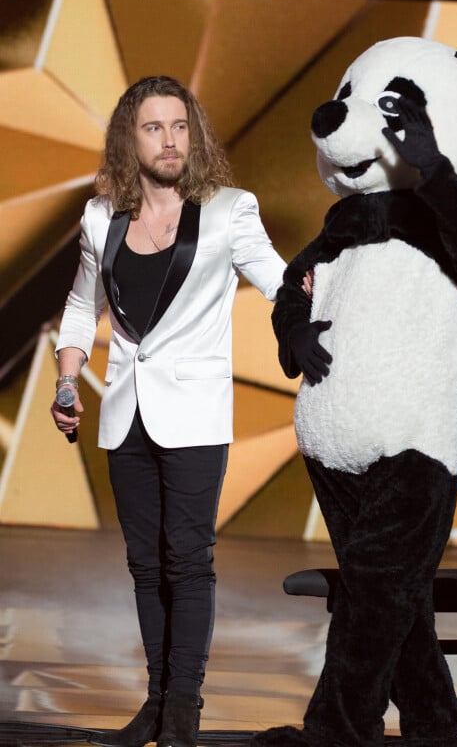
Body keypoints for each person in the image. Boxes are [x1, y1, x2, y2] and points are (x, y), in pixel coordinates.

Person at [50, 76, 286, 747]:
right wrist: (69, 381)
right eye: (154, 127)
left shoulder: (231, 209)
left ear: (195, 133)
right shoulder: (103, 217)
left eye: (179, 126)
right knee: (144, 563)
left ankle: (184, 707)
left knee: (188, 558)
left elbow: (277, 278)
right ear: (131, 138)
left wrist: (315, 292)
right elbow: (78, 304)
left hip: (195, 412)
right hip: (125, 410)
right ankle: (155, 702)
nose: (170, 139)